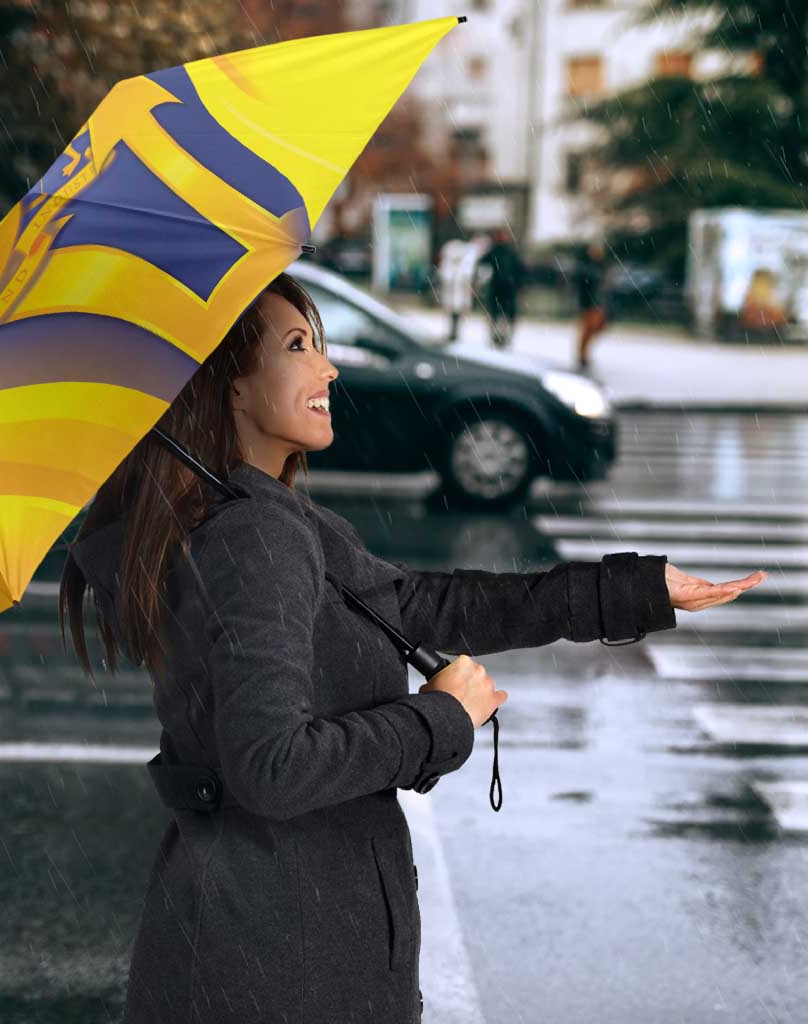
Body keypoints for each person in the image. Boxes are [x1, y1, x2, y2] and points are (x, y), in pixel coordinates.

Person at [59, 272, 763, 1024]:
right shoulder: (254, 536)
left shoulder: (260, 518)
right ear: (230, 387)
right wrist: (439, 719)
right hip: (282, 962)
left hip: (264, 942)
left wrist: (633, 591)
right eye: (298, 346)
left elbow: (424, 605)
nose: (328, 368)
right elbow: (271, 767)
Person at [476, 226, 526, 349]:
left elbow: (520, 270)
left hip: (507, 288)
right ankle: (497, 337)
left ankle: (503, 337)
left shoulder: (509, 252)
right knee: (497, 314)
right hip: (499, 288)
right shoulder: (496, 251)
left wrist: (519, 284)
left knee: (504, 315)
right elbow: (482, 264)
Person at [574, 239, 610, 371]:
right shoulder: (586, 267)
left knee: (596, 328)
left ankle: (584, 354)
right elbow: (583, 286)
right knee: (588, 329)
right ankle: (582, 355)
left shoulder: (601, 266)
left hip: (598, 303)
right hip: (589, 303)